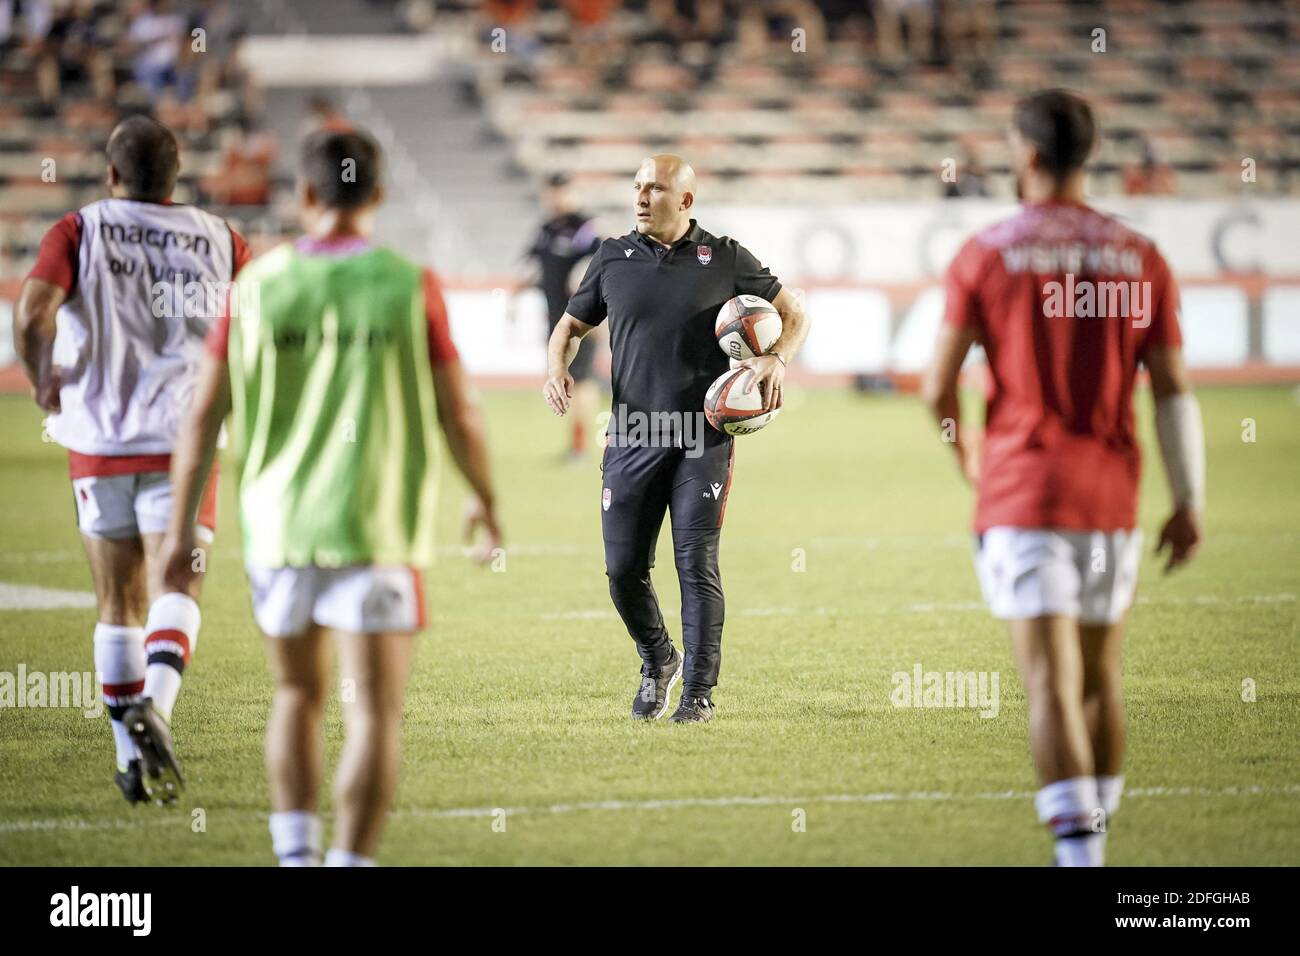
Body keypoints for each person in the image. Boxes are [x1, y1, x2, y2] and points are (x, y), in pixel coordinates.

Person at [157, 129, 503, 866]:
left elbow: (201, 417)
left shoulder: (255, 286)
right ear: (378, 196)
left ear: (306, 195)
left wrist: (176, 531)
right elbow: (459, 411)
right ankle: (350, 860)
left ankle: (294, 856)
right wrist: (486, 499)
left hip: (279, 528)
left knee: (295, 696)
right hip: (375, 526)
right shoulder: (410, 282)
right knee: (374, 710)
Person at [921, 89, 1204, 866]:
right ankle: (1096, 846)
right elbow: (1175, 390)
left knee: (1048, 680)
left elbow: (935, 387)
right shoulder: (1140, 256)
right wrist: (1190, 502)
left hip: (1025, 493)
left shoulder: (987, 252)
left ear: (1029, 155)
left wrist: (966, 455)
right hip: (1112, 500)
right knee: (1098, 676)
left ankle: (1081, 863)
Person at [14, 114, 251, 805]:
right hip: (186, 438)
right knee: (178, 581)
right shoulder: (221, 237)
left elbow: (32, 315)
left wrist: (42, 381)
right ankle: (160, 709)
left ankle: (128, 759)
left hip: (100, 439)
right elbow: (258, 327)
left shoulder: (80, 228)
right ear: (176, 178)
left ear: (113, 175)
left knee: (118, 602)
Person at [543, 154, 810, 722]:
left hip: (703, 437)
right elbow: (570, 326)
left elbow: (795, 312)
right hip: (632, 434)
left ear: (685, 201)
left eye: (656, 188)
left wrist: (778, 360)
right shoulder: (612, 256)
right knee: (622, 569)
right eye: (638, 186)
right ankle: (658, 657)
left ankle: (698, 693)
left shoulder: (726, 256)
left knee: (696, 564)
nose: (641, 196)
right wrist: (555, 367)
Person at [515, 172, 602, 460]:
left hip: (581, 320)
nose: (553, 198)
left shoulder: (584, 228)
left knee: (582, 381)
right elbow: (531, 265)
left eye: (559, 192)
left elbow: (601, 265)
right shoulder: (546, 229)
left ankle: (580, 446)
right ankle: (576, 444)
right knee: (564, 378)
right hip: (554, 320)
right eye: (550, 192)